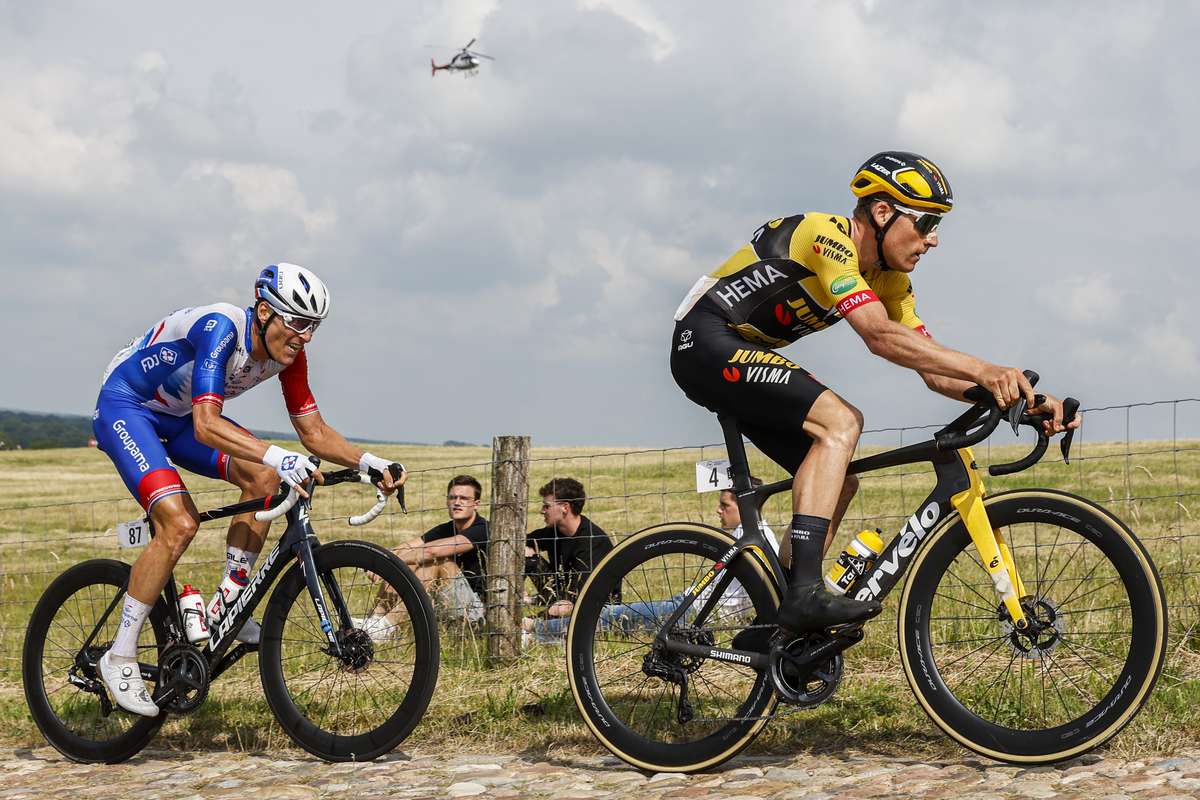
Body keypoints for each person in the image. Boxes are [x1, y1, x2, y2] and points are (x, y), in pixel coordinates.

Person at [670, 151, 1080, 639]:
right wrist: (987, 370)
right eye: (926, 222)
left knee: (837, 478)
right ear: (883, 212)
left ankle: (779, 615)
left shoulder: (891, 281)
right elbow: (879, 337)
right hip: (706, 342)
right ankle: (803, 595)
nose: (933, 239)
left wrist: (1020, 400)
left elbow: (931, 368)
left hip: (742, 355)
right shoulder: (827, 237)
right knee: (841, 421)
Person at [91, 263, 405, 716]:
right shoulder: (221, 329)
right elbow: (206, 424)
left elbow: (313, 431)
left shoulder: (289, 354)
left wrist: (369, 462)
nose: (304, 336)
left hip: (176, 416)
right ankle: (119, 656)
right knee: (179, 523)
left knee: (263, 479)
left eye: (313, 327)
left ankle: (225, 604)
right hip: (129, 406)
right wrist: (279, 454)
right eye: (296, 322)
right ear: (263, 311)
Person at [370, 475, 488, 632]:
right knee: (401, 560)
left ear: (476, 504)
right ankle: (373, 624)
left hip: (478, 612)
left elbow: (432, 551)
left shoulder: (482, 529)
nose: (457, 502)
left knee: (435, 561)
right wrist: (381, 561)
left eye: (464, 498)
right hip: (448, 605)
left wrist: (390, 562)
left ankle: (387, 627)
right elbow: (404, 548)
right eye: (452, 497)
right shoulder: (446, 528)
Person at [522, 478, 615, 642]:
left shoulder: (592, 542)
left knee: (554, 617)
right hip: (561, 596)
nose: (542, 511)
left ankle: (535, 628)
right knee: (525, 554)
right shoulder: (554, 532)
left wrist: (534, 620)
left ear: (565, 508)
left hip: (594, 607)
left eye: (547, 506)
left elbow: (578, 600)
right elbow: (521, 542)